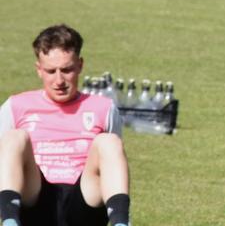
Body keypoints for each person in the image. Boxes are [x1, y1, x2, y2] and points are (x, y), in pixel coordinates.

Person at [0, 24, 131, 226]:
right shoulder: (16, 106)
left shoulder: (104, 108)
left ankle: (121, 222)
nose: (59, 80)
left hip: (84, 200)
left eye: (67, 70)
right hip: (34, 197)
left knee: (109, 142)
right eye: (51, 71)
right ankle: (9, 221)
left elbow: (111, 165)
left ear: (80, 65)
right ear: (39, 70)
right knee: (13, 138)